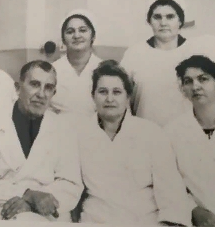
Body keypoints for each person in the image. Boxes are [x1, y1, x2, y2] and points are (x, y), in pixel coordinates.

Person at [75, 60, 192, 225]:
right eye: (102, 91)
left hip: (143, 221)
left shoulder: (152, 133)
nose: (109, 99)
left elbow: (171, 192)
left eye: (117, 92)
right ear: (93, 95)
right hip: (96, 220)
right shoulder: (79, 134)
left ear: (128, 97)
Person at [0, 60, 83, 221]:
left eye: (48, 87)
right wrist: (27, 194)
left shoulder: (63, 129)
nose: (41, 94)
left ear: (53, 93)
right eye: (35, 84)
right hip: (1, 209)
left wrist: (33, 203)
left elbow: (71, 184)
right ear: (17, 88)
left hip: (47, 214)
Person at [120, 0, 215, 127]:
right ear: (149, 21)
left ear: (180, 21)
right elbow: (121, 98)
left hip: (188, 132)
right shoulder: (134, 54)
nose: (163, 23)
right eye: (157, 17)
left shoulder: (198, 51)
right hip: (145, 131)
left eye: (170, 17)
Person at [165, 55, 215, 227]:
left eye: (203, 79)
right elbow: (168, 183)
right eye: (188, 81)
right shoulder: (172, 132)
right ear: (183, 89)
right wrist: (193, 211)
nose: (195, 86)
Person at [50, 10, 103, 118]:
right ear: (63, 39)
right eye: (70, 32)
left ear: (93, 36)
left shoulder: (105, 69)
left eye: (83, 30)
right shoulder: (51, 70)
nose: (76, 35)